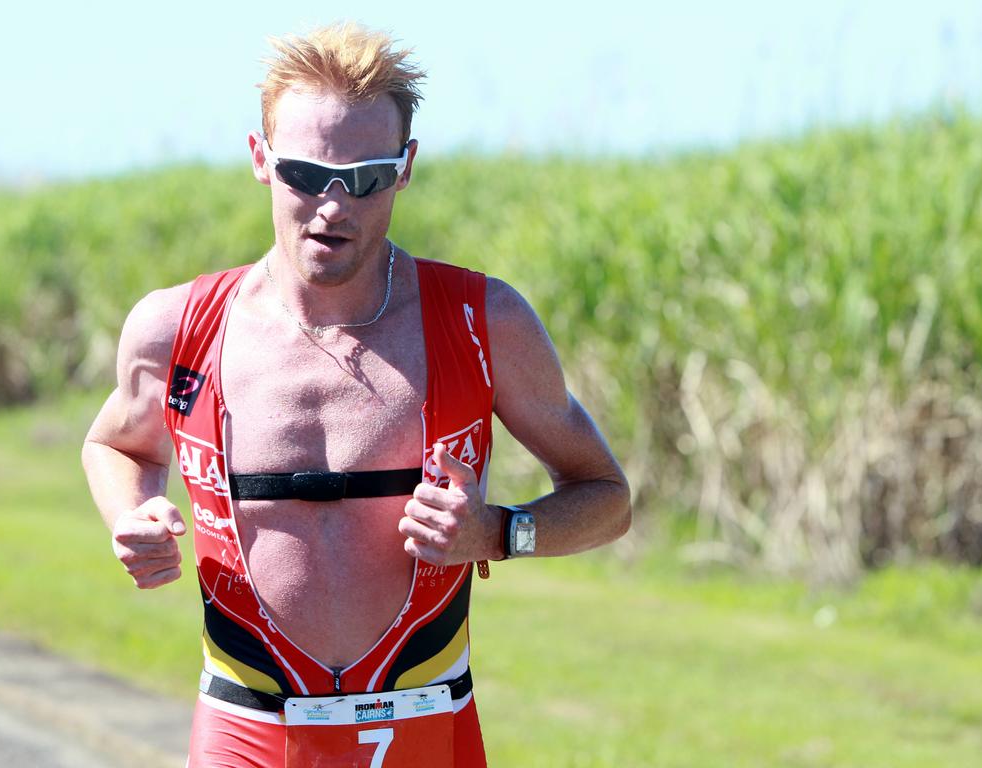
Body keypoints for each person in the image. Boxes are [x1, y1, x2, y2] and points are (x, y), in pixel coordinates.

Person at [82, 21, 631, 768]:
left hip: (426, 728)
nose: (334, 204)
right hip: (248, 730)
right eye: (306, 173)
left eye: (366, 176)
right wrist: (132, 514)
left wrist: (499, 532)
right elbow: (114, 442)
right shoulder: (176, 328)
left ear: (404, 169)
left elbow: (606, 495)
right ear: (260, 159)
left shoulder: (482, 322)